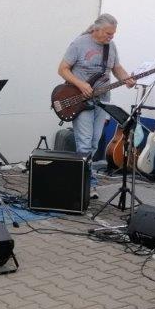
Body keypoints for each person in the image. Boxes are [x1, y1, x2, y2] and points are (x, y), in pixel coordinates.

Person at [57, 13, 136, 192]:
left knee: (94, 142)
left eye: (113, 34)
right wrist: (81, 84)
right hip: (80, 100)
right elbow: (62, 69)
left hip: (102, 101)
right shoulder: (79, 43)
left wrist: (126, 79)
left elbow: (116, 68)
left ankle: (83, 176)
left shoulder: (111, 46)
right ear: (97, 29)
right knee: (84, 142)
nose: (111, 37)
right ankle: (85, 184)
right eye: (108, 33)